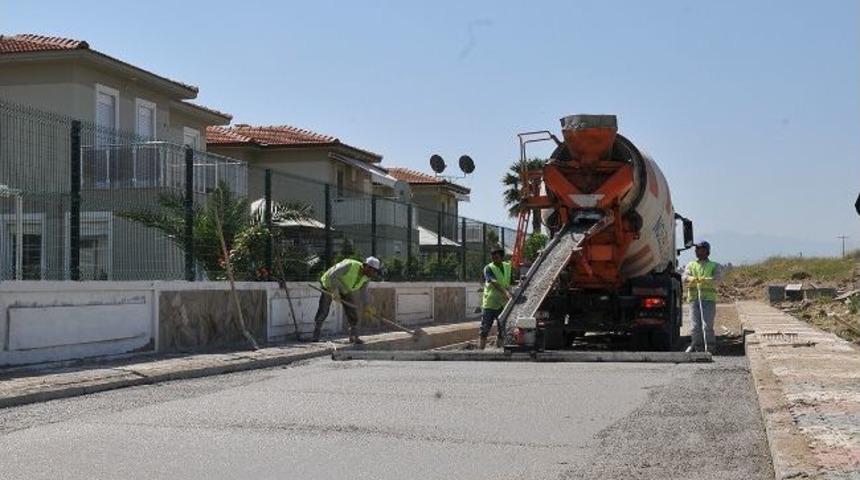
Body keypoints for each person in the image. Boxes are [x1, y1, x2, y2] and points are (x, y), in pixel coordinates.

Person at [311, 256, 382, 344]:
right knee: (324, 310)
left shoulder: (366, 277)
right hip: (329, 284)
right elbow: (332, 276)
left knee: (353, 312)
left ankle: (354, 337)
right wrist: (334, 291)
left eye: (375, 271)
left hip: (345, 288)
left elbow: (363, 293)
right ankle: (316, 335)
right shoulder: (350, 265)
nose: (374, 273)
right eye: (373, 270)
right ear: (366, 266)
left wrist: (367, 306)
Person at [682, 241, 721, 353]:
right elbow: (684, 277)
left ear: (707, 251)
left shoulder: (714, 265)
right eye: (697, 250)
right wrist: (691, 279)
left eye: (702, 250)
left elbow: (718, 278)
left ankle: (710, 348)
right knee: (695, 326)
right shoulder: (691, 265)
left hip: (708, 299)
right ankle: (698, 348)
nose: (699, 252)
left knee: (707, 325)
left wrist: (706, 280)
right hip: (694, 299)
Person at [478, 246, 513, 350]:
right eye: (492, 257)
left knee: (502, 329)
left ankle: (499, 350)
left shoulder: (507, 266)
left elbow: (510, 280)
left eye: (496, 257)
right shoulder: (488, 268)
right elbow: (493, 282)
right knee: (484, 329)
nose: (493, 259)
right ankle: (480, 351)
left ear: (502, 257)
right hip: (490, 303)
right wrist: (506, 292)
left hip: (503, 304)